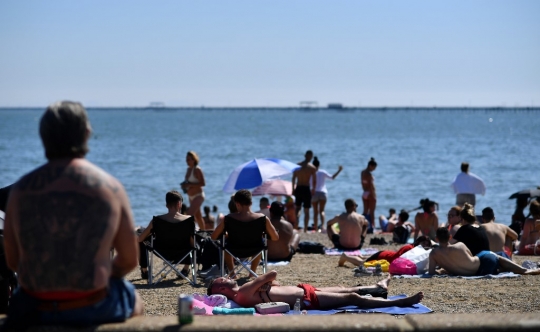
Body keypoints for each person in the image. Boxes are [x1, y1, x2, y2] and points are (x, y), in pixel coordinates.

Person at [3, 101, 143, 328]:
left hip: (34, 307)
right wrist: (104, 274)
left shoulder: (20, 190)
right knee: (132, 296)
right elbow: (129, 260)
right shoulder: (111, 188)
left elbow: (13, 261)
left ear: (43, 136)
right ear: (86, 134)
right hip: (91, 304)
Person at [207, 271, 424, 310]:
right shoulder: (242, 291)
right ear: (222, 288)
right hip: (306, 300)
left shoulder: (242, 293)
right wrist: (261, 281)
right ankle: (399, 303)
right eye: (221, 279)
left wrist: (264, 286)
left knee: (343, 288)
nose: (225, 276)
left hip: (303, 291)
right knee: (352, 297)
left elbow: (271, 282)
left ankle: (379, 287)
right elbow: (272, 274)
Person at [211, 190, 279, 278]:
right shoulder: (262, 218)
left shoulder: (228, 218)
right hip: (254, 249)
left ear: (237, 204)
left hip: (233, 250)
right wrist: (260, 234)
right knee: (260, 244)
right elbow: (275, 238)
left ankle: (232, 274)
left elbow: (213, 237)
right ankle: (252, 273)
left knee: (225, 246)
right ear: (251, 203)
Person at [429, 227, 540, 276]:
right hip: (481, 264)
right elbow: (472, 256)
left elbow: (431, 272)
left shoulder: (433, 254)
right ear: (450, 236)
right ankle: (524, 270)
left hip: (478, 272)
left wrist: (444, 270)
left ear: (437, 239)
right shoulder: (459, 245)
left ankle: (517, 268)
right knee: (496, 255)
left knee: (497, 260)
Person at [137, 190, 195, 278]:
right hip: (183, 252)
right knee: (193, 242)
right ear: (179, 204)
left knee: (141, 238)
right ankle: (186, 269)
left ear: (166, 205)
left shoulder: (156, 221)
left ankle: (145, 271)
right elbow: (193, 244)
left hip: (162, 251)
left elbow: (140, 239)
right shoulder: (189, 221)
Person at [338, 235, 432, 267]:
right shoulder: (410, 249)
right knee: (362, 263)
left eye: (427, 245)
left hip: (385, 254)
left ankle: (348, 256)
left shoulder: (412, 247)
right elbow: (401, 261)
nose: (425, 247)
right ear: (419, 242)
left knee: (366, 258)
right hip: (383, 257)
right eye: (424, 244)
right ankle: (345, 256)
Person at [311, 157, 343, 233]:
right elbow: (332, 177)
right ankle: (322, 227)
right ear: (319, 165)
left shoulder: (311, 173)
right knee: (322, 211)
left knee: (315, 212)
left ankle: (315, 228)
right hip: (323, 193)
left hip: (314, 193)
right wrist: (339, 170)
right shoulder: (322, 172)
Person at [292, 150, 317, 232]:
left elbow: (294, 178)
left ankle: (296, 224)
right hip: (306, 188)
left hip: (299, 187)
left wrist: (293, 189)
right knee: (306, 210)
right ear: (311, 157)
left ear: (305, 155)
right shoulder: (312, 168)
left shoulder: (298, 165)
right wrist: (313, 189)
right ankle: (305, 229)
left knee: (297, 208)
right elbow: (314, 181)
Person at [183, 150, 206, 230]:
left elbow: (203, 183)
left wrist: (190, 185)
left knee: (189, 215)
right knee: (198, 217)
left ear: (194, 159)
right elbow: (188, 182)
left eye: (189, 159)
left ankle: (188, 234)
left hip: (198, 195)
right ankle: (204, 233)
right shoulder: (188, 169)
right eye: (186, 159)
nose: (187, 161)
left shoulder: (197, 169)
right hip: (190, 196)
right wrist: (184, 186)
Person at [361, 157, 377, 232]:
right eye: (374, 168)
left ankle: (363, 225)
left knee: (365, 211)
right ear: (371, 166)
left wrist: (365, 191)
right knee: (372, 212)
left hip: (365, 192)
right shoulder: (369, 175)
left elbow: (363, 184)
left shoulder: (362, 172)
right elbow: (371, 186)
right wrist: (373, 195)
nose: (374, 169)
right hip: (370, 193)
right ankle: (372, 226)